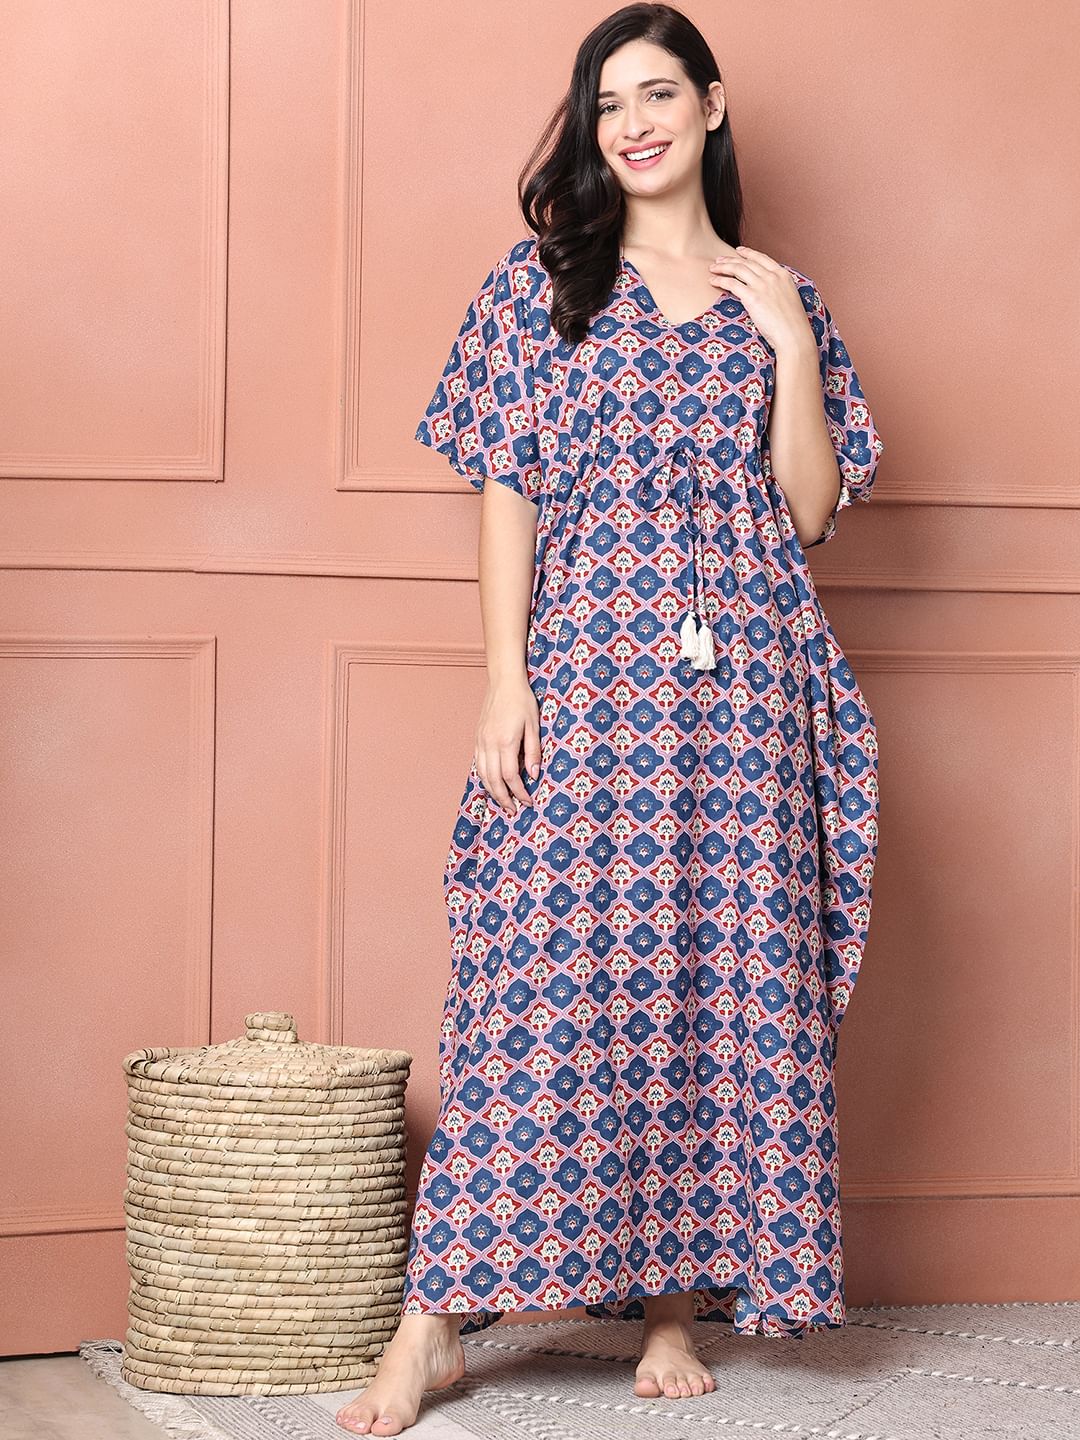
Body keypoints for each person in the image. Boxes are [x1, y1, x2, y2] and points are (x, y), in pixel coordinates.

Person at [336, 2, 884, 1433]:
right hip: (587, 675)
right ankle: (433, 1321)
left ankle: (670, 1307)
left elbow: (809, 513)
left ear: (712, 103)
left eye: (657, 93)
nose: (632, 123)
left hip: (746, 690)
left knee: (715, 978)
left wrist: (789, 344)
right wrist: (504, 679)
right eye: (607, 103)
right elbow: (505, 489)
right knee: (542, 982)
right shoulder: (541, 287)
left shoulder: (783, 297)